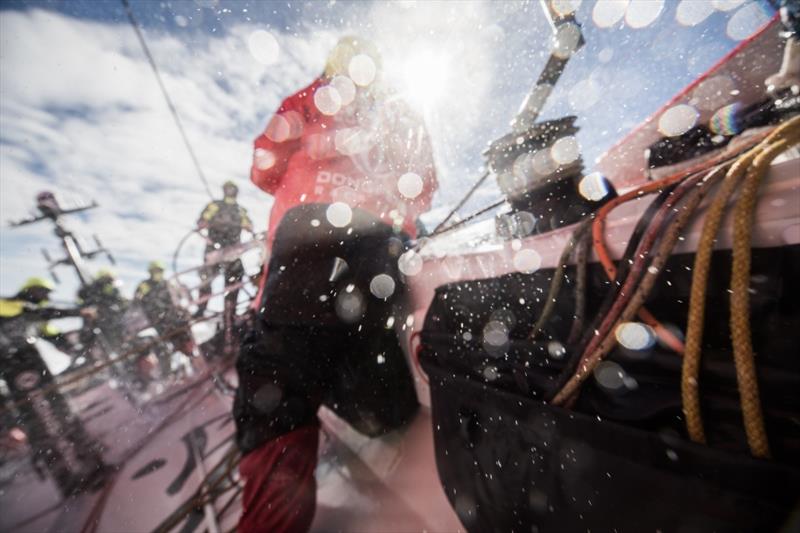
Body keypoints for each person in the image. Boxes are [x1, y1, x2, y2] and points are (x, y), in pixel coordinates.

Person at [233, 36, 438, 532]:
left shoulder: (310, 99)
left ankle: (273, 512)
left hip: (308, 232)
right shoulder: (399, 113)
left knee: (277, 372)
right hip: (382, 242)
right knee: (378, 400)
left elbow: (263, 168)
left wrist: (321, 160)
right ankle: (360, 400)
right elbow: (425, 188)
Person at [0, 277, 108, 496]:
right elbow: (44, 313)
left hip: (36, 368)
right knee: (43, 426)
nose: (46, 298)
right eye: (43, 293)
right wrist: (80, 312)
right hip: (19, 373)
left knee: (64, 415)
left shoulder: (29, 315)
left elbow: (52, 333)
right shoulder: (11, 306)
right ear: (31, 290)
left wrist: (73, 346)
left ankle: (93, 467)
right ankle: (68, 482)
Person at [194, 180, 253, 321]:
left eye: (233, 189)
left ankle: (230, 311)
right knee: (206, 279)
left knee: (235, 277)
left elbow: (249, 225)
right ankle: (201, 310)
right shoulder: (214, 206)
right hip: (214, 249)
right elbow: (201, 221)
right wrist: (204, 223)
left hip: (232, 252)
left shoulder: (240, 210)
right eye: (228, 188)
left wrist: (248, 227)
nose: (230, 191)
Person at [134, 261, 196, 377]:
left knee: (185, 338)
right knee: (170, 343)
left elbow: (178, 297)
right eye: (155, 271)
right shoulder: (144, 285)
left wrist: (182, 308)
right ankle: (175, 372)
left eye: (160, 271)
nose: (158, 273)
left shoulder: (167, 283)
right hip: (160, 322)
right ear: (151, 272)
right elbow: (138, 301)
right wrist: (154, 312)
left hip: (175, 318)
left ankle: (193, 362)